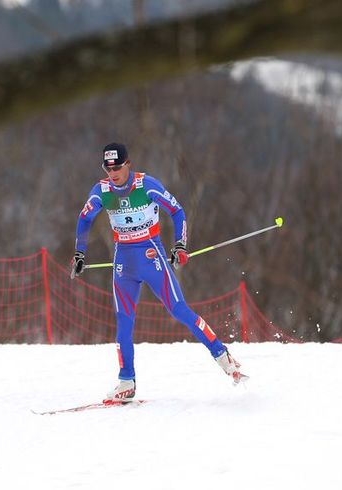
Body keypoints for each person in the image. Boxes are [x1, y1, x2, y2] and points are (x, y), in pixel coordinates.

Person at [71, 142, 246, 403]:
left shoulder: (146, 185)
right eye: (108, 168)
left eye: (118, 167)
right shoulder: (102, 191)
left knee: (179, 310)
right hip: (123, 263)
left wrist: (180, 245)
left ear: (128, 163)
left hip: (151, 255)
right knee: (124, 322)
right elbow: (85, 219)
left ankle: (223, 356)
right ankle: (126, 381)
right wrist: (80, 253)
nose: (113, 173)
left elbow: (177, 211)